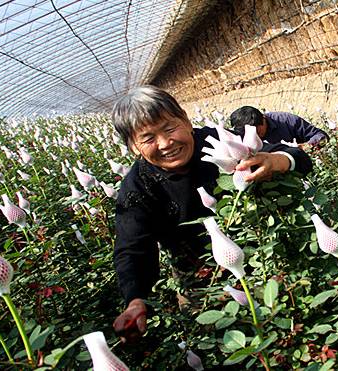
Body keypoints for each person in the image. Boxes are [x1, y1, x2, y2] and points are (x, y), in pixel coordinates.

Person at [111, 86, 313, 342]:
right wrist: (135, 299)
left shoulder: (219, 141)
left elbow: (300, 159)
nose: (165, 143)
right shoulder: (138, 186)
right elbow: (132, 247)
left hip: (264, 261)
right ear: (133, 146)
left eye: (170, 128)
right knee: (219, 344)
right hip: (201, 284)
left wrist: (276, 161)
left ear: (185, 119)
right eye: (148, 138)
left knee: (284, 332)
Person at [229, 106, 329, 148]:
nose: (256, 137)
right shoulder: (240, 135)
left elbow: (321, 136)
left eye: (258, 132)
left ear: (264, 118)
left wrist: (305, 147)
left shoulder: (286, 121)